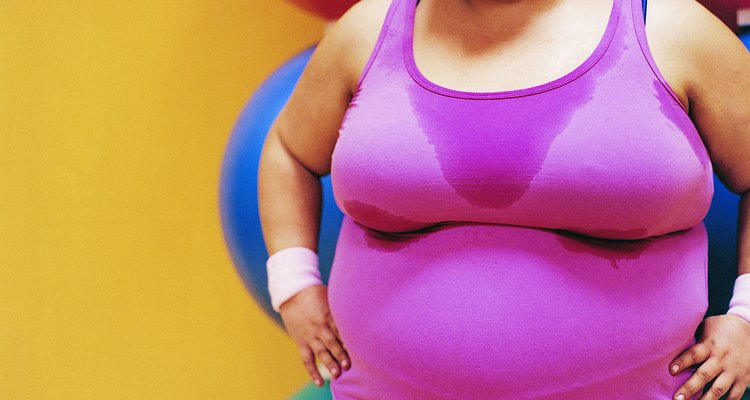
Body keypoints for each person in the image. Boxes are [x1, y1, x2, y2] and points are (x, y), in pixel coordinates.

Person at [257, 0, 750, 398]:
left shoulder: (671, 27)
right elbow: (289, 150)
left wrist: (748, 317)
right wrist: (294, 285)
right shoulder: (368, 26)